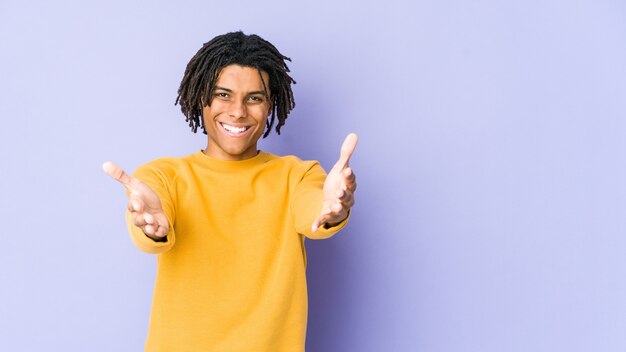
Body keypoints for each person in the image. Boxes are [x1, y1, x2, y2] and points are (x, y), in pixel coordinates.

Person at [103, 31, 357, 351]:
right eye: (223, 94)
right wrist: (151, 226)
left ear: (270, 105)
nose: (238, 111)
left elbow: (316, 211)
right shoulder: (162, 175)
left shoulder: (297, 175)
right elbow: (150, 217)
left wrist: (334, 206)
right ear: (201, 99)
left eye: (254, 98)